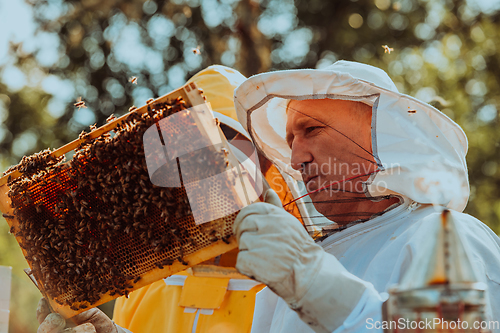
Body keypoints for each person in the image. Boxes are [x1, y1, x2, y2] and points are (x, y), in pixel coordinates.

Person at [231, 60, 500, 332]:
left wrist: (315, 284)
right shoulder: (285, 280)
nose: (296, 159)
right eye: (291, 142)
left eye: (311, 130)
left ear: (379, 134)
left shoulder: (443, 235)